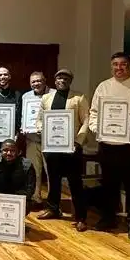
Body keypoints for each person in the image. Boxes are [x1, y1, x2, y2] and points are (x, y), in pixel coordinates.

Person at [88, 52, 130, 239]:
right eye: (115, 64)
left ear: (129, 65)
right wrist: (98, 130)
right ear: (111, 67)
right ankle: (108, 218)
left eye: (123, 64)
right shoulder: (103, 86)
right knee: (108, 184)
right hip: (107, 145)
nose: (119, 68)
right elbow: (94, 113)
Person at [36, 69, 90, 232]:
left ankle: (80, 217)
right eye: (59, 77)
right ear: (55, 80)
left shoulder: (78, 98)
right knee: (53, 179)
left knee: (75, 182)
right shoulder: (46, 98)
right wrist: (42, 130)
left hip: (72, 148)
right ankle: (53, 209)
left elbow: (86, 120)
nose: (62, 80)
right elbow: (40, 119)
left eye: (66, 78)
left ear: (70, 81)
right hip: (51, 147)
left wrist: (78, 142)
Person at [0, 139, 36, 231]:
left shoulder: (27, 165)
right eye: (5, 150)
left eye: (12, 151)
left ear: (18, 152)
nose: (8, 153)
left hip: (17, 197)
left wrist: (14, 198)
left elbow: (30, 188)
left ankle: (17, 222)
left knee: (29, 202)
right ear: (1, 151)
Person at [21, 71, 53, 203]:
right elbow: (24, 114)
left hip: (50, 141)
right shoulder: (26, 96)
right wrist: (23, 126)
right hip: (32, 139)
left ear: (45, 81)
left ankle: (53, 200)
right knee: (34, 171)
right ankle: (36, 197)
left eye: (39, 81)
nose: (36, 84)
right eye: (33, 82)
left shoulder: (54, 94)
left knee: (51, 171)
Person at [0, 67, 23, 158]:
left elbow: (20, 116)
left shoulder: (17, 95)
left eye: (5, 74)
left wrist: (18, 133)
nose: (2, 77)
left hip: (11, 138)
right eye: (0, 75)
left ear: (9, 76)